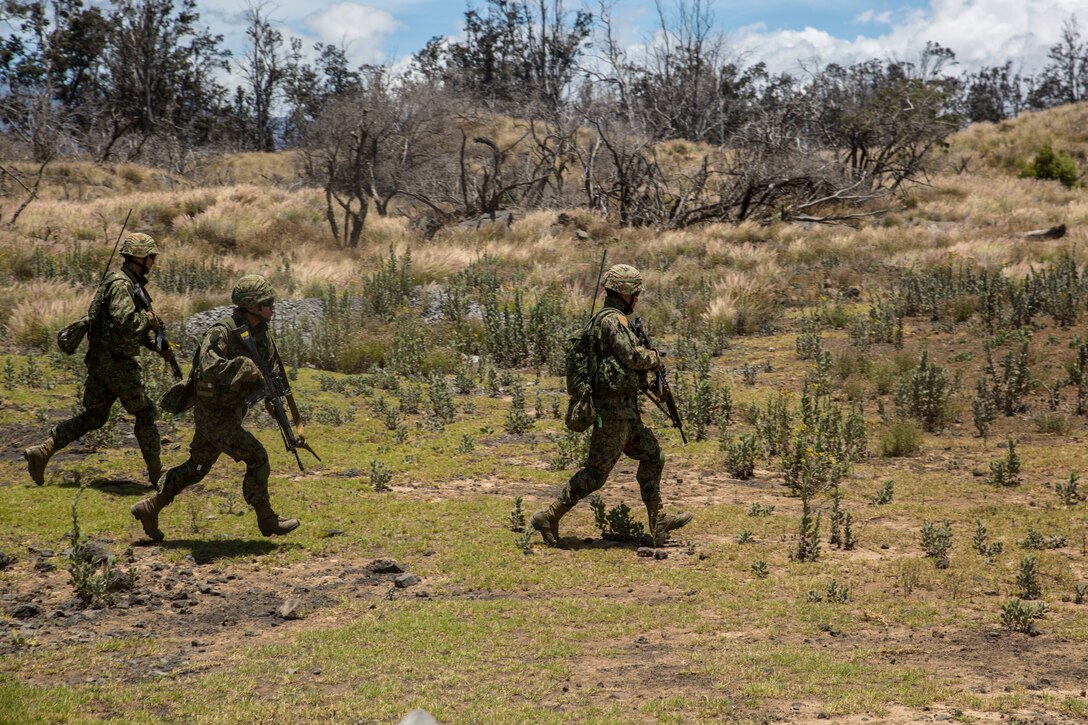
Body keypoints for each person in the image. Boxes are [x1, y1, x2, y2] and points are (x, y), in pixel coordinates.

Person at [531, 264, 692, 547]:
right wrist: (654, 357)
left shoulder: (610, 320)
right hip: (613, 413)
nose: (637, 299)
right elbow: (632, 357)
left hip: (625, 411)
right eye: (635, 293)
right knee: (595, 474)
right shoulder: (613, 321)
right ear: (624, 292)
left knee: (653, 455)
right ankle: (549, 516)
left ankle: (659, 521)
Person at [130, 274, 300, 541]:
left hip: (231, 411)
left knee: (196, 468)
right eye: (267, 302)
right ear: (252, 305)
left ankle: (150, 507)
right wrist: (244, 368)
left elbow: (268, 371)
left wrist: (273, 398)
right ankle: (267, 520)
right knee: (257, 457)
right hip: (212, 414)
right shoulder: (222, 332)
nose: (272, 307)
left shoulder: (261, 333)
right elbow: (207, 369)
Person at [24, 233, 164, 485]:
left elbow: (113, 326)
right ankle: (158, 475)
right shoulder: (122, 285)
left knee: (95, 416)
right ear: (140, 258)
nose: (154, 261)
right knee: (145, 412)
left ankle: (42, 451)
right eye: (152, 257)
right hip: (116, 363)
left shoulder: (122, 281)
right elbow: (126, 321)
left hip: (103, 361)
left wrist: (153, 344)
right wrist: (149, 321)